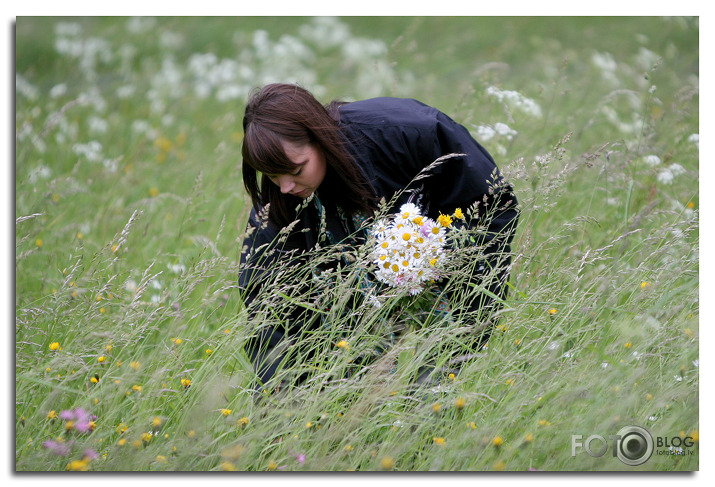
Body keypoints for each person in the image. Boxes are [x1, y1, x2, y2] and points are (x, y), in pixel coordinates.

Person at [238, 83, 519, 386]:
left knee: (436, 391)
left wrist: (434, 251)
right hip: (355, 302)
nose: (285, 187)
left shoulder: (408, 131)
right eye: (272, 176)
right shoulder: (278, 199)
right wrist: (285, 397)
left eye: (295, 171)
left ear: (319, 139)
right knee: (350, 391)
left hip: (446, 278)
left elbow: (492, 204)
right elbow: (268, 298)